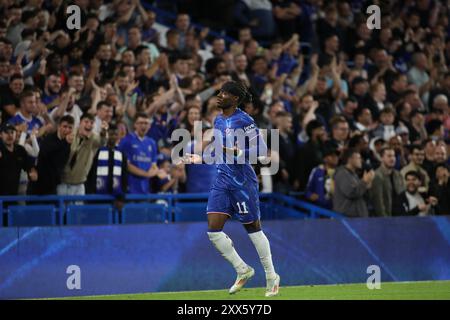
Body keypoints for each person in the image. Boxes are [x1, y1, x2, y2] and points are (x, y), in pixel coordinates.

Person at [182, 81, 280, 297]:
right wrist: (200, 158)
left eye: (224, 93)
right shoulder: (218, 120)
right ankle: (242, 269)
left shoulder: (245, 121)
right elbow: (219, 150)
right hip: (222, 180)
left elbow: (261, 152)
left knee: (253, 229)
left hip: (243, 182)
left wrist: (237, 152)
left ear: (235, 99)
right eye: (219, 91)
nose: (219, 95)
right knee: (213, 230)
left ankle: (272, 276)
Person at [58, 113, 107, 196]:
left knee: (77, 209)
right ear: (80, 123)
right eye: (86, 122)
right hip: (62, 182)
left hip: (79, 184)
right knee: (61, 208)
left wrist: (104, 132)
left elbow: (102, 142)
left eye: (91, 123)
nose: (89, 125)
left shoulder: (93, 138)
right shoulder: (70, 134)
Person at [118, 113, 162, 194]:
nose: (143, 126)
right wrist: (146, 174)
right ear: (135, 125)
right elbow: (126, 165)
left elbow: (154, 165)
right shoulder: (126, 141)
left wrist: (156, 171)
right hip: (130, 189)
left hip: (146, 189)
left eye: (146, 123)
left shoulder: (152, 143)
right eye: (141, 123)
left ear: (149, 126)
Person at [32, 115, 74, 195]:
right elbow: (47, 153)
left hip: (53, 184)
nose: (67, 130)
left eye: (70, 127)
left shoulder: (68, 143)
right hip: (39, 184)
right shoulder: (49, 139)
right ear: (59, 126)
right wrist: (65, 142)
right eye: (65, 126)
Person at [333, 148, 375, 217]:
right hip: (348, 219)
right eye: (358, 158)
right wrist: (364, 181)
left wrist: (367, 185)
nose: (360, 160)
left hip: (356, 218)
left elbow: (360, 194)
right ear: (350, 159)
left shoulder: (353, 175)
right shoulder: (342, 173)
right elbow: (351, 192)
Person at [0, 123, 37, 195]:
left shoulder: (20, 150)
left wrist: (33, 172)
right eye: (6, 133)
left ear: (15, 134)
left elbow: (29, 166)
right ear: (1, 135)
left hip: (14, 193)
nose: (10, 135)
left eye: (12, 132)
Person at [369, 147, 405, 217]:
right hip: (386, 217)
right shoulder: (377, 176)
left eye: (393, 156)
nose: (392, 159)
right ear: (381, 158)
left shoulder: (398, 174)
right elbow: (378, 202)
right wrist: (385, 219)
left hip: (399, 216)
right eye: (389, 156)